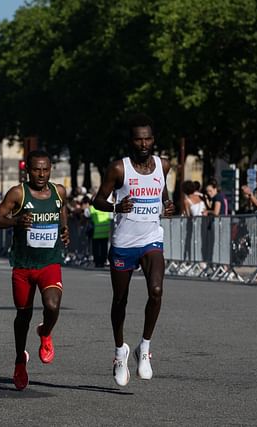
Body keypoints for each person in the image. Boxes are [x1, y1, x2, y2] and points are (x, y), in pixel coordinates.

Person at [92, 113, 175, 387]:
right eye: (138, 139)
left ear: (154, 140)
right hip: (124, 243)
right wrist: (117, 206)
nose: (144, 143)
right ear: (131, 141)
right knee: (120, 300)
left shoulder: (164, 164)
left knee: (157, 291)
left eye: (148, 138)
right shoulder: (118, 168)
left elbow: (162, 192)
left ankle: (145, 348)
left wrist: (168, 203)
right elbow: (98, 201)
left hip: (151, 238)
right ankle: (120, 352)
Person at [0, 150, 69, 391]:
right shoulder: (18, 193)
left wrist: (65, 230)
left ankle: (45, 332)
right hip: (23, 266)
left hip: (49, 262)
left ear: (51, 169)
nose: (41, 174)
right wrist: (16, 221)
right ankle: (19, 360)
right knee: (22, 317)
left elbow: (61, 211)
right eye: (36, 169)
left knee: (52, 305)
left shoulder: (58, 191)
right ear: (28, 170)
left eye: (45, 169)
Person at [88, 203, 111, 268]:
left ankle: (97, 262)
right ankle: (103, 262)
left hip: (96, 233)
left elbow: (86, 214)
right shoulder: (106, 207)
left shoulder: (92, 208)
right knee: (104, 248)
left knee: (96, 249)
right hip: (105, 232)